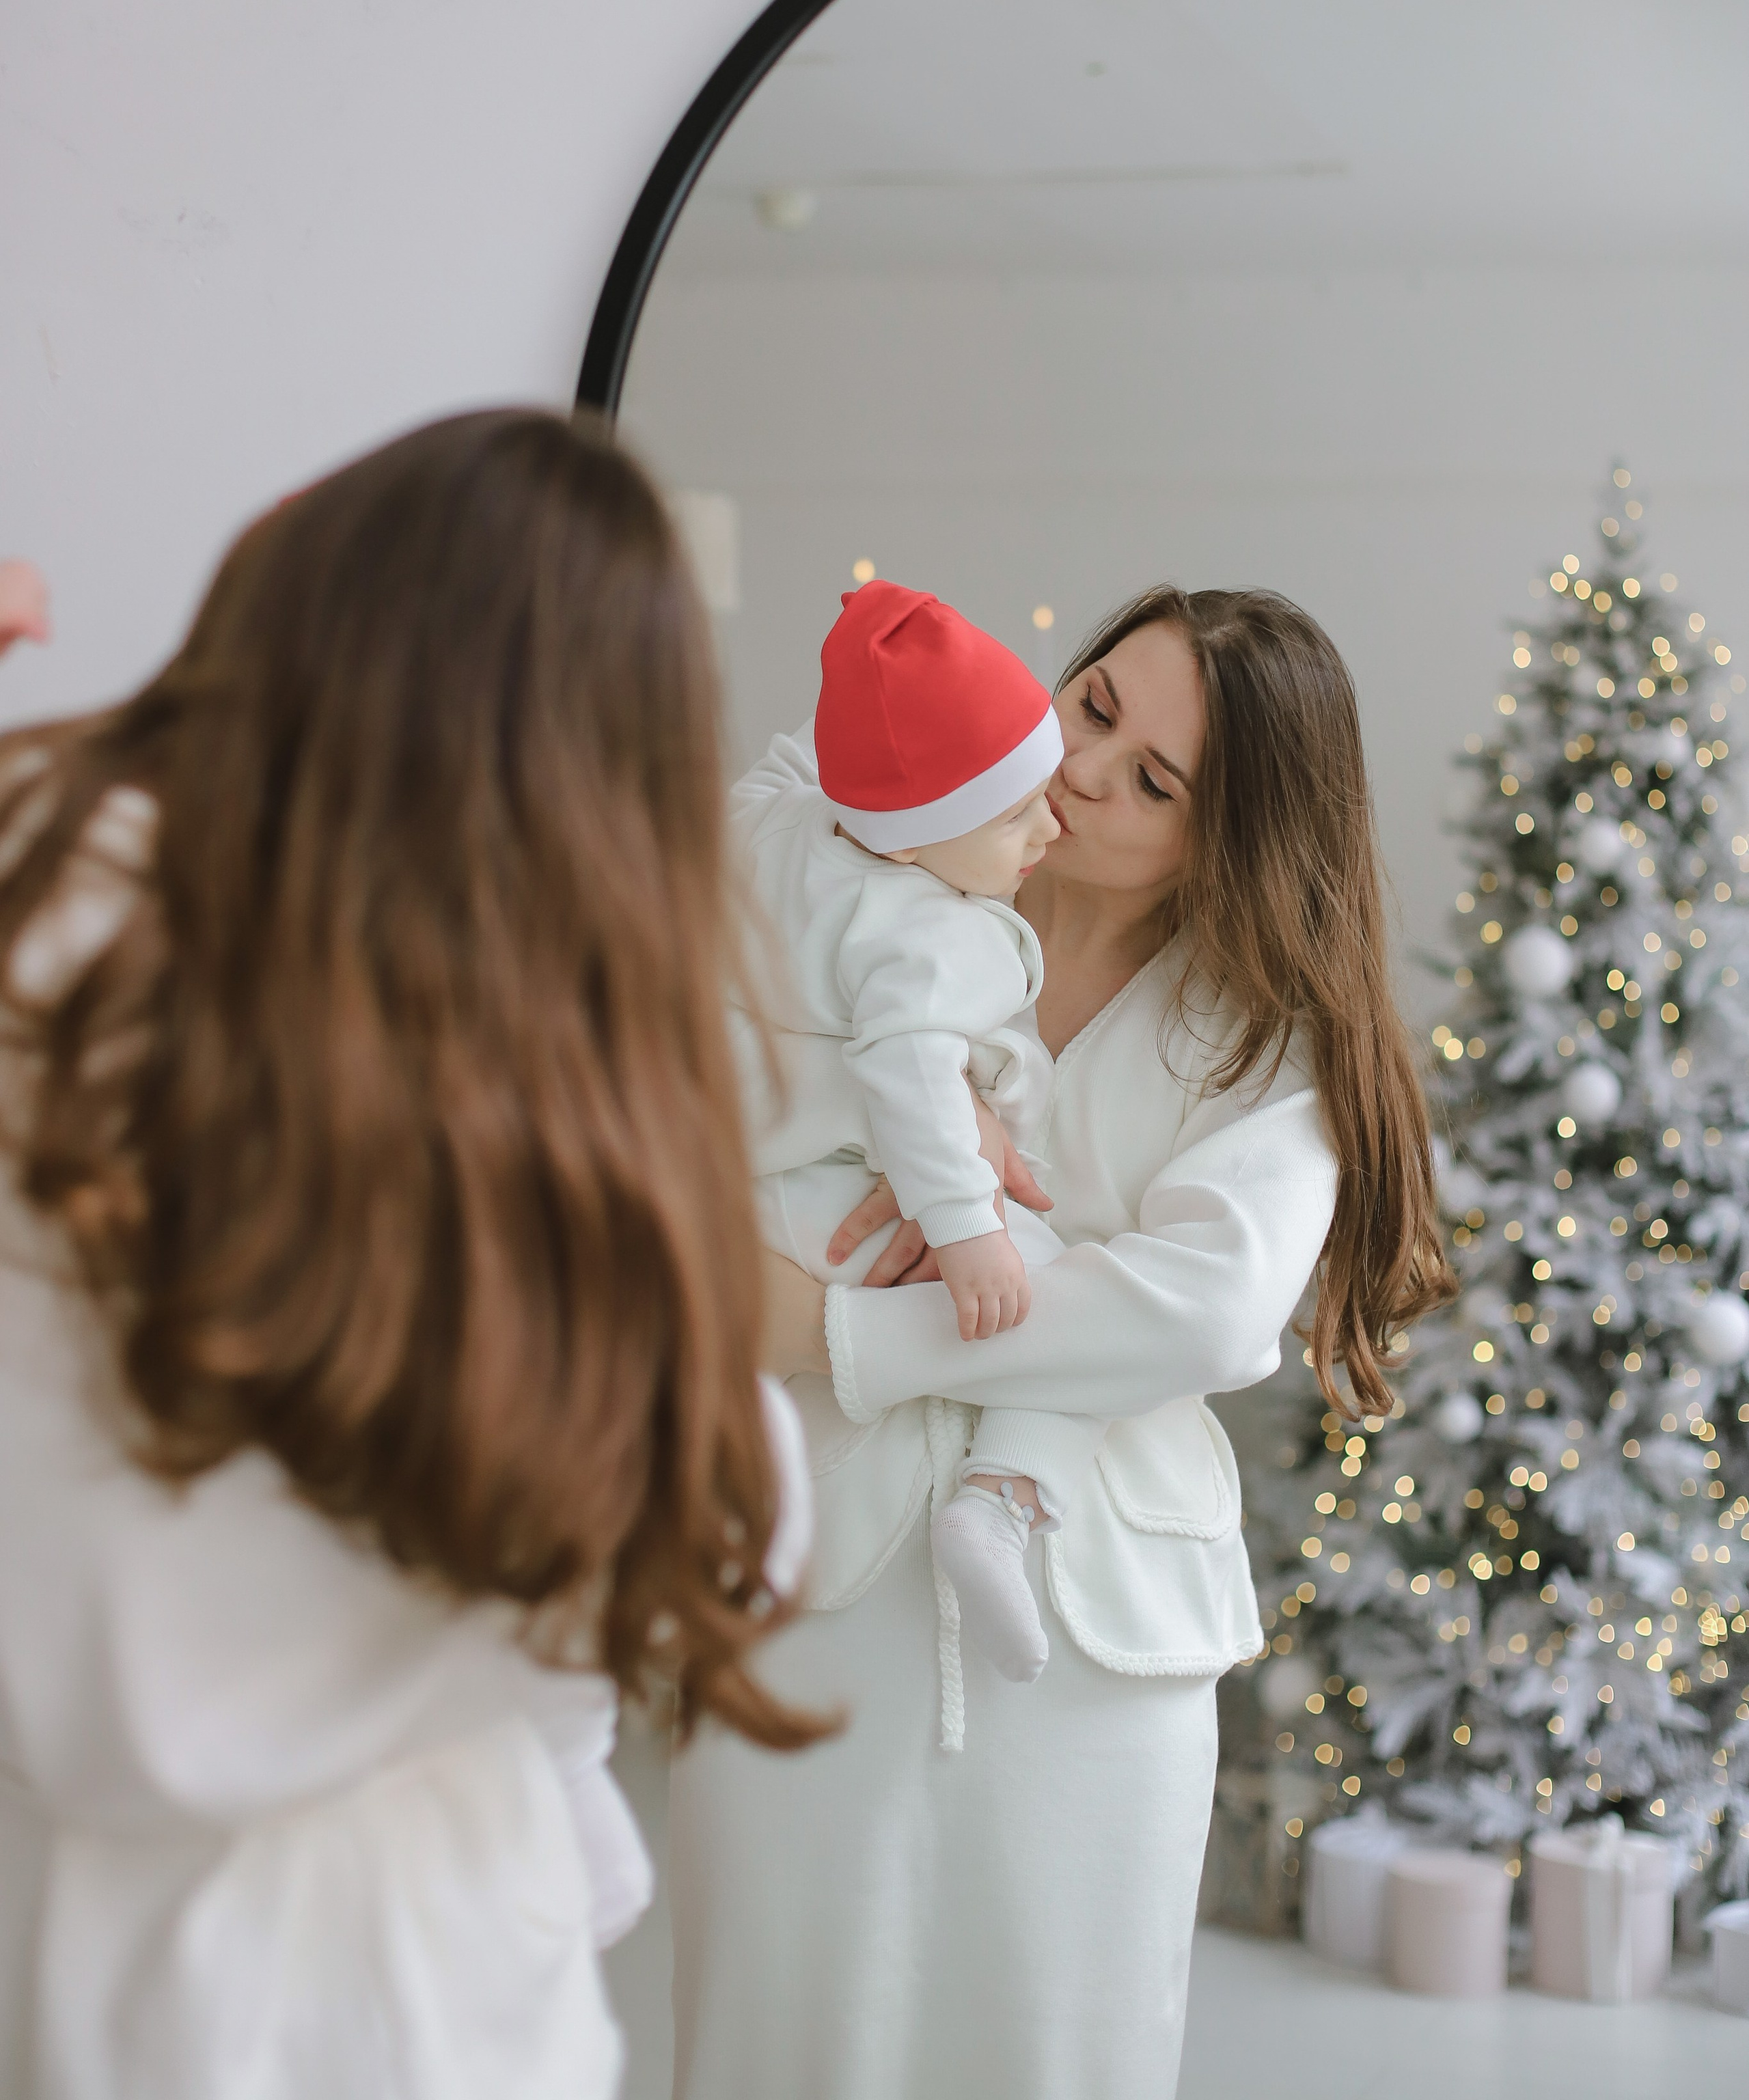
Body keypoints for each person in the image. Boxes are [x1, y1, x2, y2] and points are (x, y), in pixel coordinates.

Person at [0, 413, 816, 2100]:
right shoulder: (565, 1159)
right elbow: (739, 1530)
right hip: (434, 1979)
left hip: (143, 1955)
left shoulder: (67, 962)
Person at [670, 583, 1455, 2100]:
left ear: (1227, 840)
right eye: (1090, 706)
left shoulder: (1265, 1038)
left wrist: (841, 1330)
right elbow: (674, 1004)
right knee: (771, 2045)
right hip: (804, 1576)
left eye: (1153, 780)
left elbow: (1207, 1308)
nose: (1083, 772)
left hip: (1096, 1637)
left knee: (1049, 2058)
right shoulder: (866, 845)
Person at [741, 577, 1123, 1687]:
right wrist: (966, 1228)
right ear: (911, 845)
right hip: (836, 1205)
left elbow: (799, 764)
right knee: (1070, 1303)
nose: (1050, 824)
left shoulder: (774, 827)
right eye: (1013, 816)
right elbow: (908, 1070)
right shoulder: (923, 930)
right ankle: (1001, 1504)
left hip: (754, 1186)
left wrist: (895, 701)